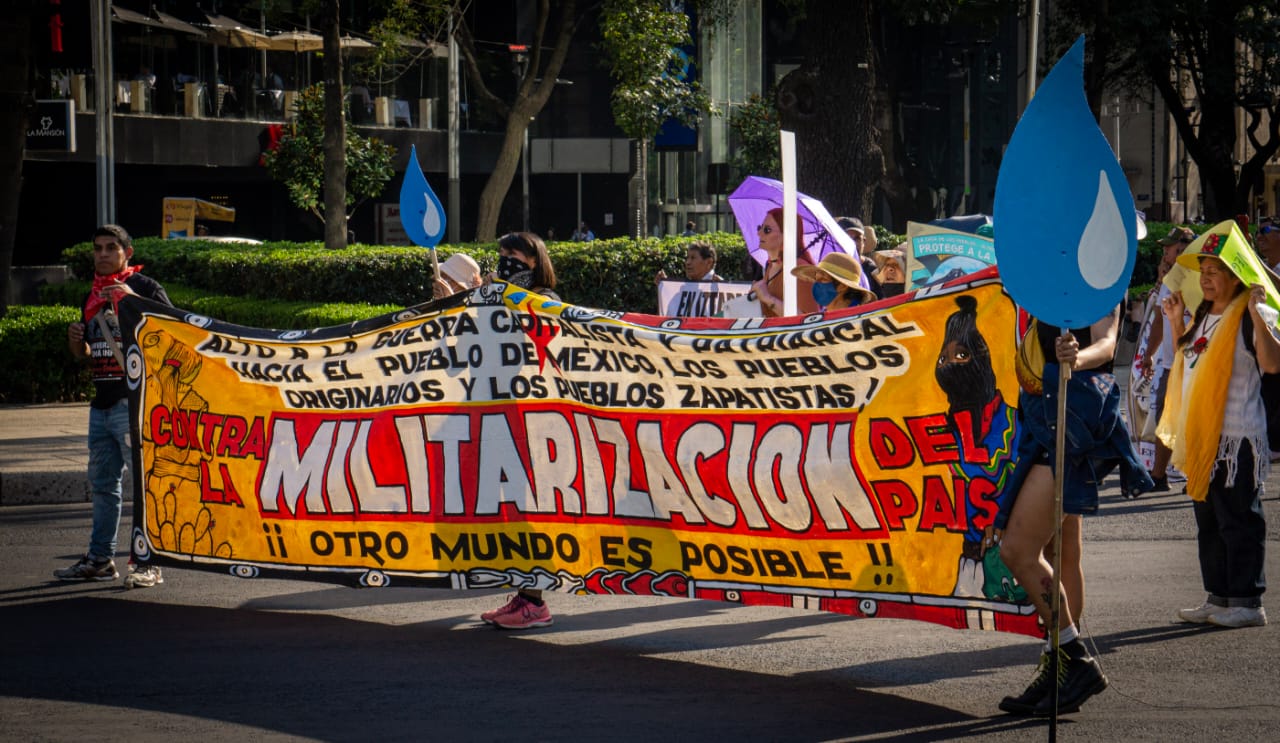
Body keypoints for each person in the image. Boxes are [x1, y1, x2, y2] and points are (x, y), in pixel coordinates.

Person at [996, 303, 1152, 716]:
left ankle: (1072, 657)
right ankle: (1060, 665)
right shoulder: (1035, 278)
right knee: (1061, 552)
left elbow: (1107, 342)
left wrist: (1076, 357)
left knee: (1018, 551)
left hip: (1071, 423)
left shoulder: (1096, 278)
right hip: (1044, 419)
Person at [1160, 248, 1278, 629]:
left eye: (1214, 271)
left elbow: (1273, 363)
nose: (1206, 278)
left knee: (1240, 518)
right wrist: (1177, 321)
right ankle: (1220, 596)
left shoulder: (1249, 312)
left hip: (1237, 437)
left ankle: (1248, 601)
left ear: (1236, 276)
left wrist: (1260, 316)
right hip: (1202, 438)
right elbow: (1186, 359)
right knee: (1209, 522)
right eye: (1204, 272)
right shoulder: (1202, 316)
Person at [55, 225, 172, 588]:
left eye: (110, 248)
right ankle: (101, 558)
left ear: (127, 252)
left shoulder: (145, 288)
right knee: (104, 486)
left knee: (143, 486)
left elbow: (171, 334)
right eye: (97, 248)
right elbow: (88, 355)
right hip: (101, 405)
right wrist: (77, 343)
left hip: (134, 405)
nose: (103, 254)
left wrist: (131, 300)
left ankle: (148, 562)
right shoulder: (91, 296)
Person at [480, 233, 559, 630]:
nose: (506, 261)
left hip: (537, 421)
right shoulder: (498, 295)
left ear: (534, 260)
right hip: (505, 416)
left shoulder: (549, 300)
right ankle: (524, 594)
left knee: (533, 512)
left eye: (514, 255)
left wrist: (498, 297)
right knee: (513, 511)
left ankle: (535, 602)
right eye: (503, 255)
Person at [753, 207, 821, 317]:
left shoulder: (800, 270)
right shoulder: (771, 266)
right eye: (760, 228)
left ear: (787, 235)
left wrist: (768, 298)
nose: (759, 233)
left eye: (767, 230)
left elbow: (807, 319)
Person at [790, 252, 876, 311]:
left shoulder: (859, 319)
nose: (817, 284)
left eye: (823, 279)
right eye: (816, 278)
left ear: (843, 286)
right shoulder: (820, 318)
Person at [837, 216, 882, 298]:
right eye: (848, 238)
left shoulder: (871, 270)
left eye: (857, 238)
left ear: (864, 241)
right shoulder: (831, 267)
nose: (853, 243)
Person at [655, 240, 721, 284]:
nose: (687, 262)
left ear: (708, 262)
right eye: (687, 258)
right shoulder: (686, 288)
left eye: (693, 258)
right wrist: (664, 285)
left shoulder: (721, 288)